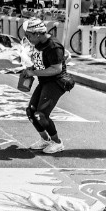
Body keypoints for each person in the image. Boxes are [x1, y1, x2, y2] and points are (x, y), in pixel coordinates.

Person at [20, 17, 68, 154]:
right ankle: (45, 140)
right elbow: (41, 62)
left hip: (56, 82)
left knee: (41, 114)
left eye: (29, 36)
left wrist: (33, 72)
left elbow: (56, 69)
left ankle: (58, 142)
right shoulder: (39, 44)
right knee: (30, 111)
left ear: (38, 33)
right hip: (44, 81)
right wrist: (30, 69)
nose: (28, 38)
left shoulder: (53, 46)